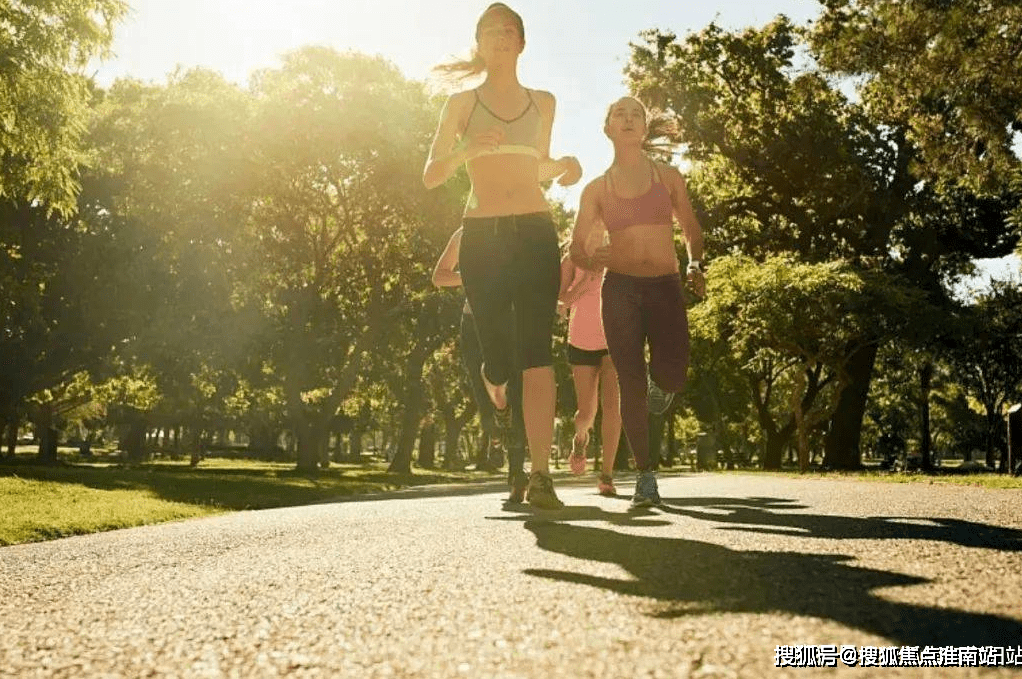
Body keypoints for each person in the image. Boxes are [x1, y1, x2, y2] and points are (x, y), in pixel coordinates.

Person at [423, 3, 582, 509]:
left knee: (536, 352)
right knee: (498, 357)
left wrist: (563, 165)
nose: (500, 37)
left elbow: (537, 167)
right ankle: (493, 380)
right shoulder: (462, 104)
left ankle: (540, 477)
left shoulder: (544, 101)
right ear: (479, 43)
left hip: (536, 231)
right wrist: (469, 150)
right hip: (483, 236)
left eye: (509, 31)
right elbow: (431, 174)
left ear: (521, 42)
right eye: (491, 32)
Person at [569, 96, 705, 508]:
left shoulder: (669, 178)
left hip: (664, 285)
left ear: (645, 130)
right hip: (621, 290)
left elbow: (691, 230)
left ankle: (659, 387)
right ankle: (646, 475)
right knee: (629, 382)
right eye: (619, 115)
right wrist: (592, 258)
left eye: (635, 116)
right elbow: (577, 248)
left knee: (672, 376)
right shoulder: (597, 189)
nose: (627, 121)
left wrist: (695, 263)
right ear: (608, 128)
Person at [432, 227, 529, 502]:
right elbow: (439, 276)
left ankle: (516, 473)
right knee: (484, 395)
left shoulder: (518, 229)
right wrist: (473, 276)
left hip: (510, 321)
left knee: (517, 396)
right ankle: (495, 433)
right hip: (473, 323)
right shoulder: (465, 234)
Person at [557, 231, 622, 496]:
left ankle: (606, 475)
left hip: (615, 338)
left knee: (613, 407)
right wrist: (585, 285)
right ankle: (580, 438)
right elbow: (561, 301)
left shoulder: (618, 252)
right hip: (581, 342)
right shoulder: (571, 259)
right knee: (585, 414)